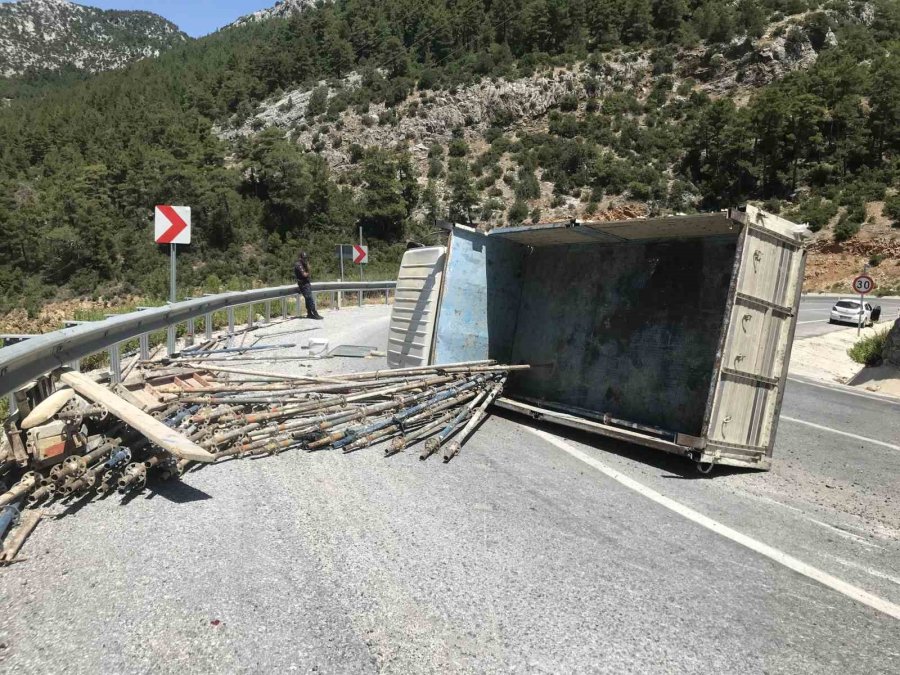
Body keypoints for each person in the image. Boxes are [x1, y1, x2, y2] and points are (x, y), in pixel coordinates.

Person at [294, 251, 324, 320]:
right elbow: (304, 274)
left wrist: (307, 268)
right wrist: (308, 270)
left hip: (306, 283)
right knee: (310, 299)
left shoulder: (303, 264)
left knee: (308, 298)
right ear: (300, 258)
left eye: (305, 258)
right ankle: (315, 313)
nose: (305, 259)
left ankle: (309, 313)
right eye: (304, 258)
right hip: (303, 284)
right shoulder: (299, 265)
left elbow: (307, 273)